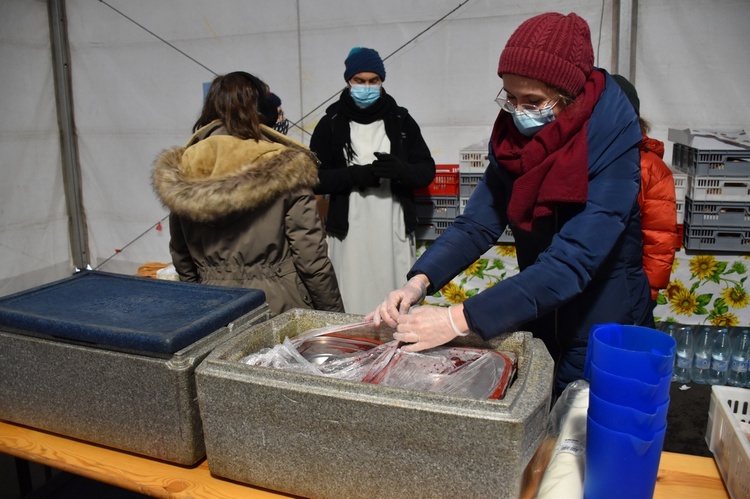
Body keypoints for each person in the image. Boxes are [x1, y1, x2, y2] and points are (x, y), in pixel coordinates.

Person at [369, 12, 654, 396]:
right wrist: (419, 282)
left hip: (601, 323)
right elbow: (477, 224)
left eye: (533, 100)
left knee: (582, 429)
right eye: (511, 97)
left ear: (569, 96)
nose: (518, 111)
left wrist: (457, 320)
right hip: (540, 309)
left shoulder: (613, 146)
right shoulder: (513, 142)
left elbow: (572, 262)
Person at [152, 71, 345, 317]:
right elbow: (311, 258)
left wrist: (196, 305)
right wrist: (334, 316)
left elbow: (181, 254)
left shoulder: (185, 165)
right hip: (279, 304)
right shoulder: (286, 165)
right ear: (259, 108)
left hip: (212, 305)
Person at [309, 47, 436, 314]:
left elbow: (426, 170)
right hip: (348, 233)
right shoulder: (330, 123)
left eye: (373, 80)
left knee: (393, 297)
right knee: (350, 295)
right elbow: (314, 179)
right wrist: (355, 175)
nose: (367, 86)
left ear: (381, 81)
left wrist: (401, 170)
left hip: (391, 226)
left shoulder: (401, 121)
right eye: (360, 80)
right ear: (348, 81)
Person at [612, 74, 680, 306]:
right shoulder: (585, 158)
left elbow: (660, 237)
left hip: (629, 282)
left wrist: (649, 290)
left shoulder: (651, 167)